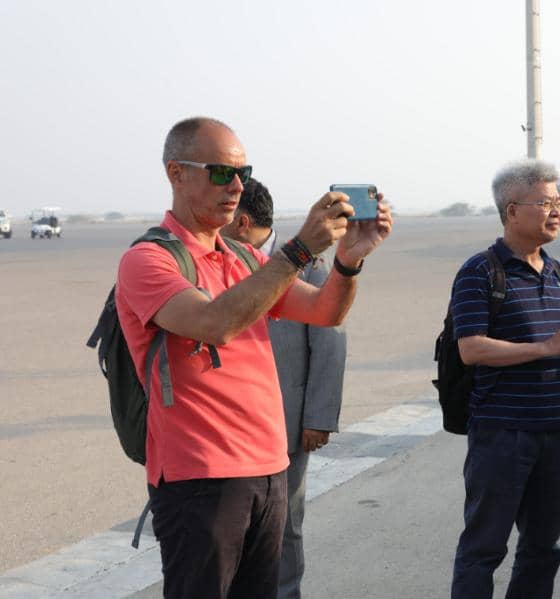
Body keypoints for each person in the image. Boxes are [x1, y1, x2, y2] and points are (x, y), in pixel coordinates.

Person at [115, 116, 391, 599]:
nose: (237, 186)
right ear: (176, 173)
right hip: (200, 476)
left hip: (268, 466)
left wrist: (349, 261)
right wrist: (300, 250)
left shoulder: (245, 258)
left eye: (243, 173)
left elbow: (325, 312)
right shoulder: (148, 260)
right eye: (222, 172)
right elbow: (215, 323)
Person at [449, 160, 560, 599]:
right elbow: (471, 349)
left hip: (558, 430)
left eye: (559, 202)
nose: (557, 211)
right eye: (546, 202)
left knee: (542, 548)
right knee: (483, 548)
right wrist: (546, 347)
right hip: (503, 434)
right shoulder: (479, 272)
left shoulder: (556, 271)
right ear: (512, 211)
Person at [220, 178, 346, 599]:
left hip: (287, 423)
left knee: (285, 526)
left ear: (242, 222)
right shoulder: (223, 263)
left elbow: (329, 343)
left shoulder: (309, 266)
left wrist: (318, 417)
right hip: (233, 424)